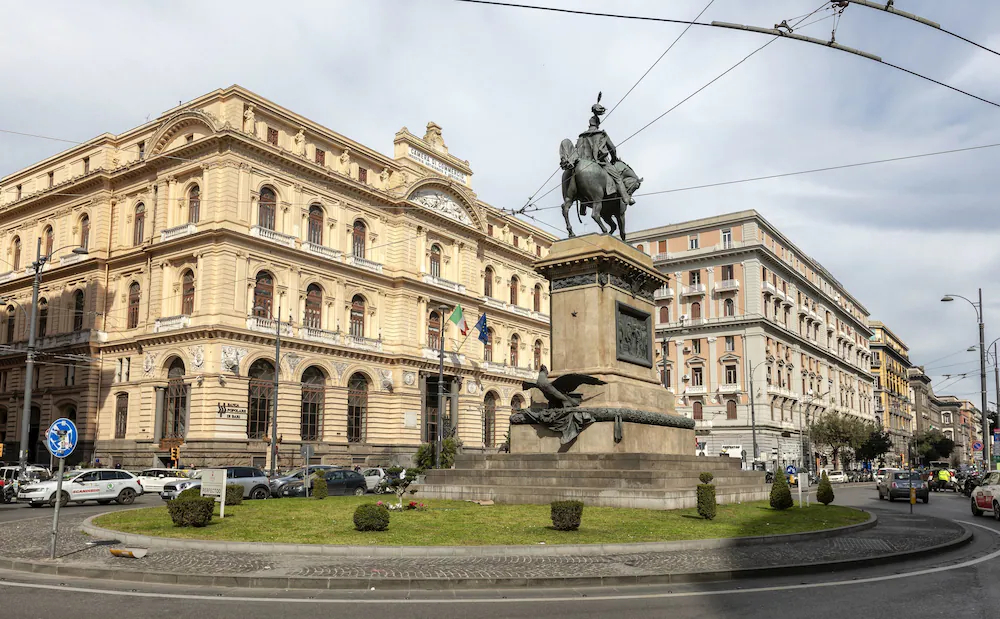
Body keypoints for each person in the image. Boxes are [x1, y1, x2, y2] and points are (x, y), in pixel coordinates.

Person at [575, 95, 635, 205]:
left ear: (589, 124)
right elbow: (612, 148)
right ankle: (626, 198)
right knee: (617, 178)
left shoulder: (581, 136)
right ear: (597, 124)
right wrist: (614, 158)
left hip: (583, 162)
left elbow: (577, 151)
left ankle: (583, 205)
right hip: (600, 162)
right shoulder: (601, 134)